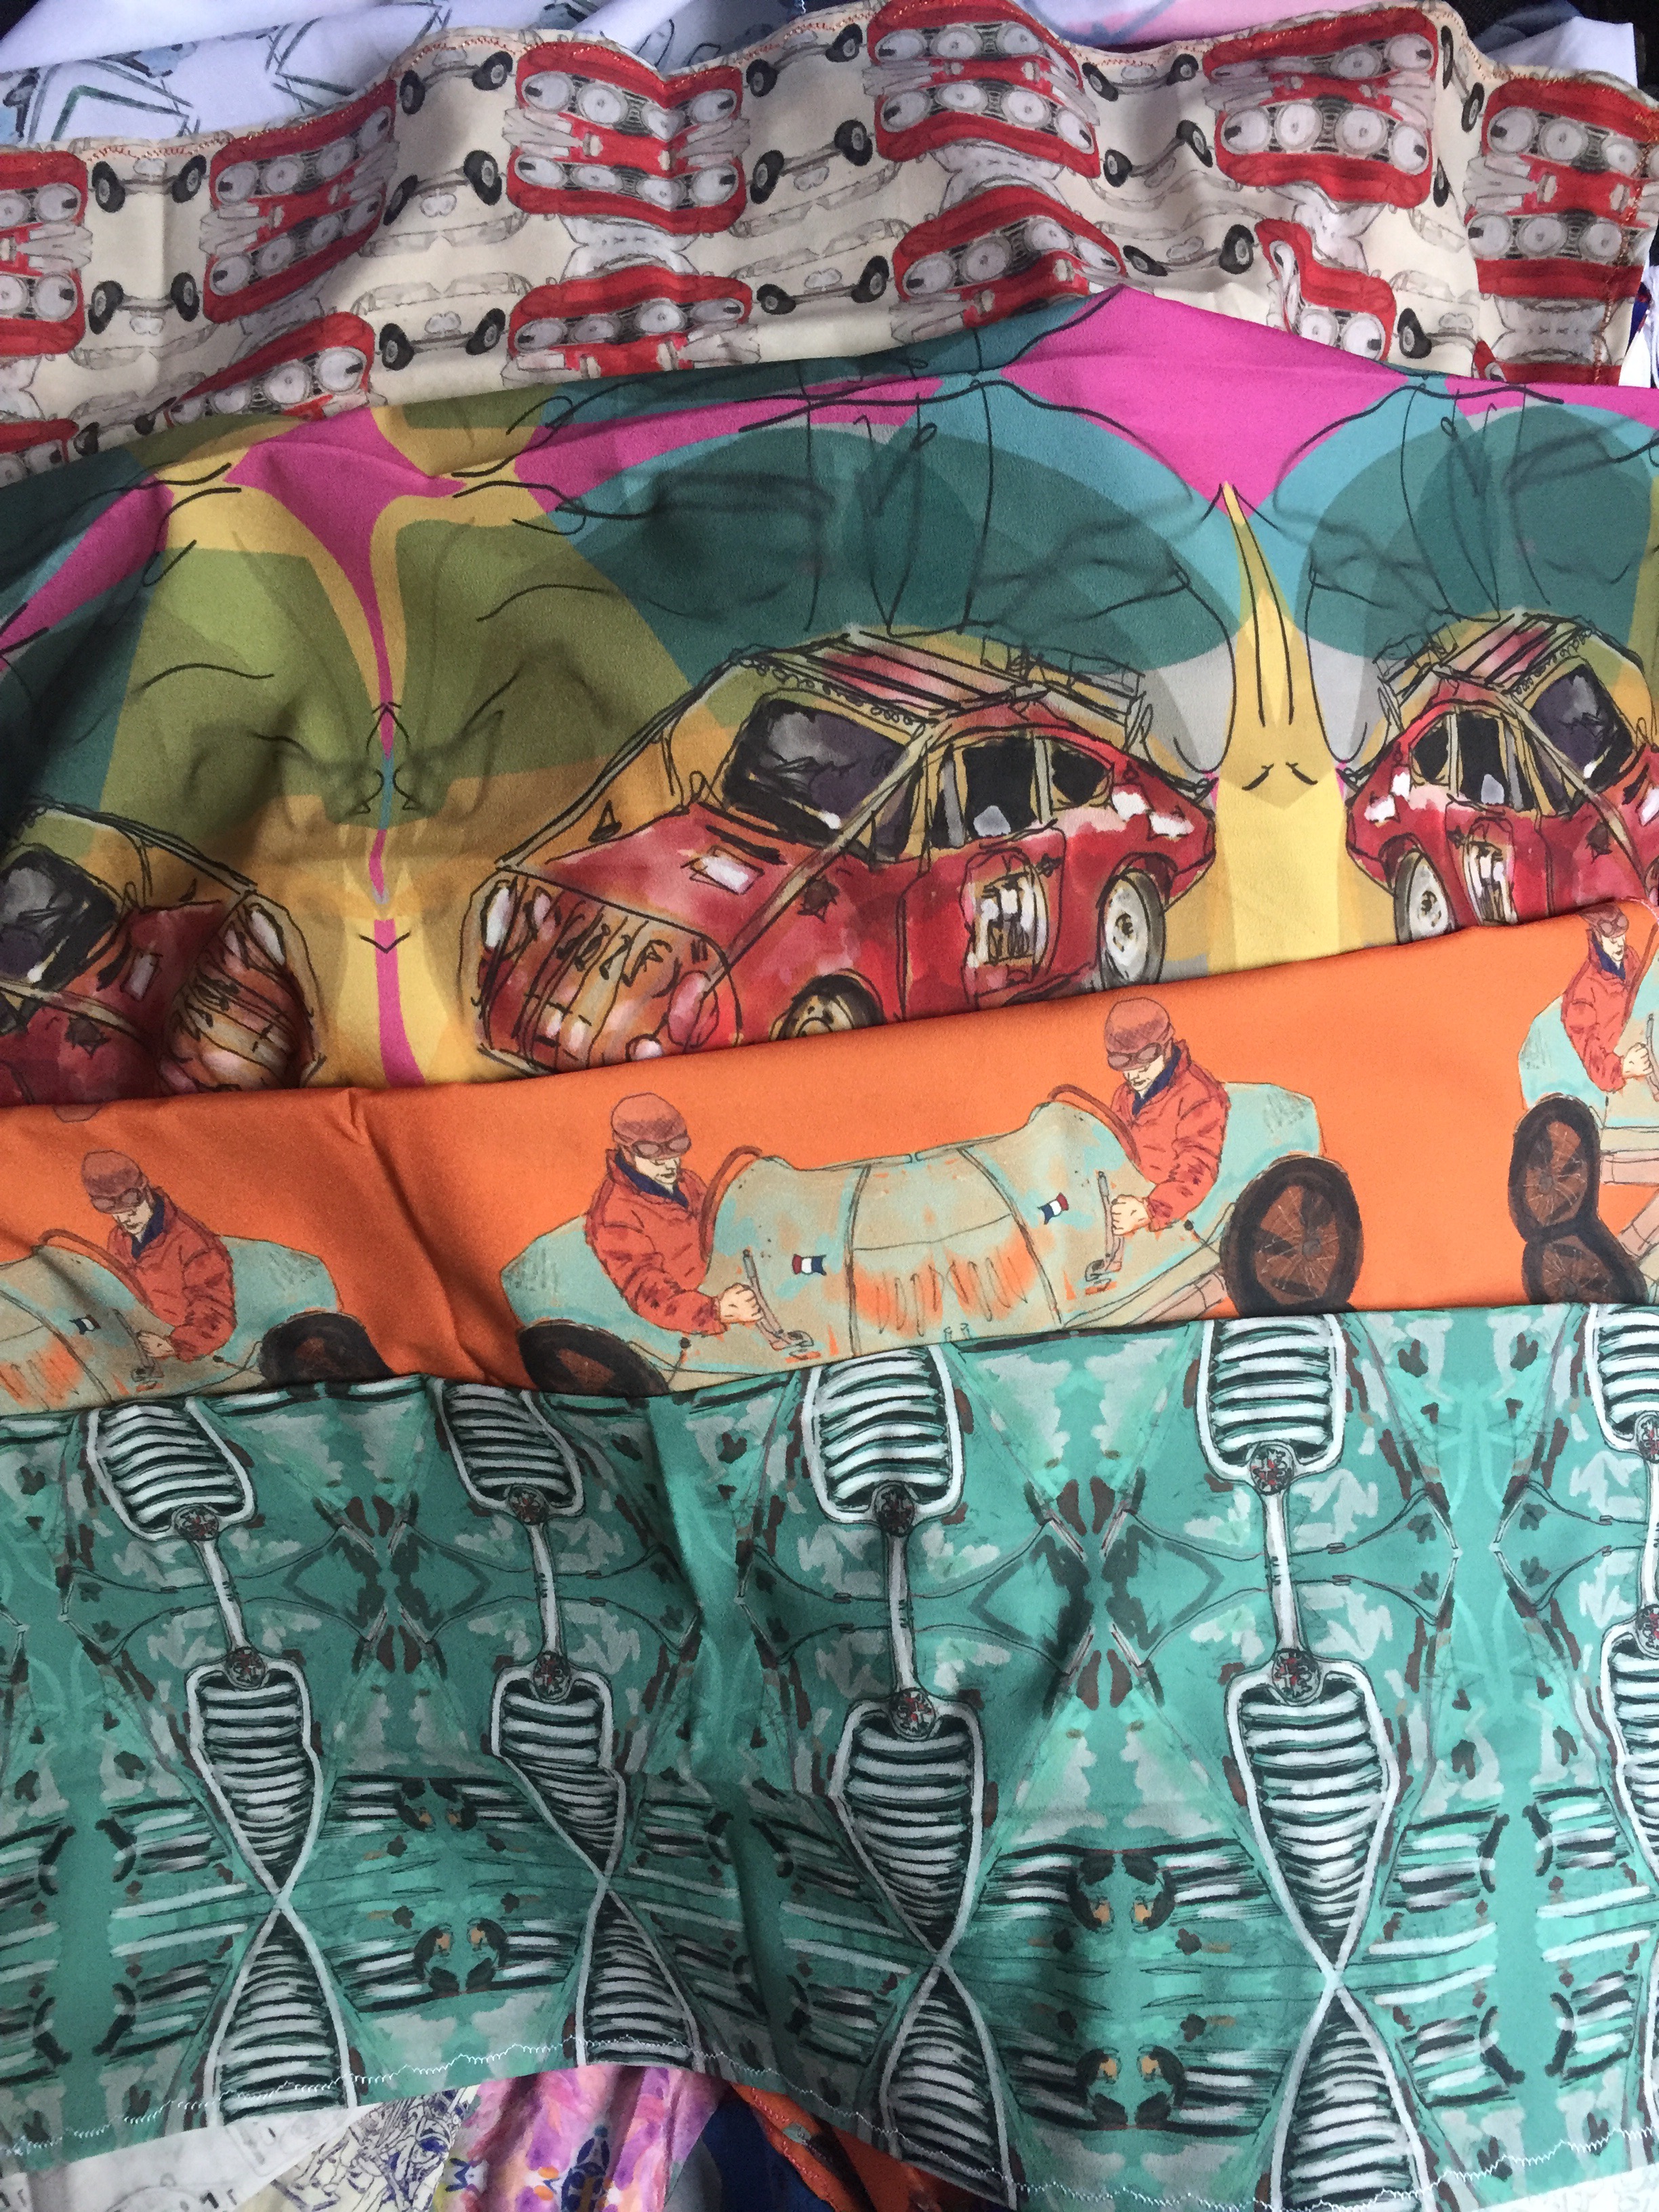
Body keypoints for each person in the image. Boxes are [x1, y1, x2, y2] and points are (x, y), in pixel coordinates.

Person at [585, 1095, 762, 1336]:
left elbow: (720, 1227)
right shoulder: (614, 1213)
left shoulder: (688, 1182)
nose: (671, 1167)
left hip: (722, 1286)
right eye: (657, 1162)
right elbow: (648, 1292)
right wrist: (715, 1311)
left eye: (675, 1155)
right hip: (682, 1322)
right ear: (628, 1153)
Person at [81, 1150, 235, 1364]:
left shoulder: (194, 1244)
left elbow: (216, 1315)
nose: (126, 1219)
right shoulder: (119, 1239)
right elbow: (116, 1294)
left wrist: (176, 1345)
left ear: (146, 1191)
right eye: (114, 1211)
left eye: (132, 1206)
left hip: (189, 1351)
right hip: (137, 1338)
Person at [1103, 998, 1230, 1236]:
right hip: (1128, 1199)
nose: (1134, 1075)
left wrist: (1150, 1210)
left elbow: (1197, 1169)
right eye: (1123, 1065)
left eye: (1144, 1062)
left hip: (1175, 1217)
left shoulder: (1199, 1095)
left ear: (1166, 1047)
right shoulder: (1124, 1096)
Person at [1562, 901, 1653, 1094]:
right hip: (1609, 1079)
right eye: (1612, 940)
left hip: (1640, 1043)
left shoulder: (1630, 958)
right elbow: (1591, 1055)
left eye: (1622, 937)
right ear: (1598, 938)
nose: (1620, 945)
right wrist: (1623, 1067)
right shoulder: (1583, 992)